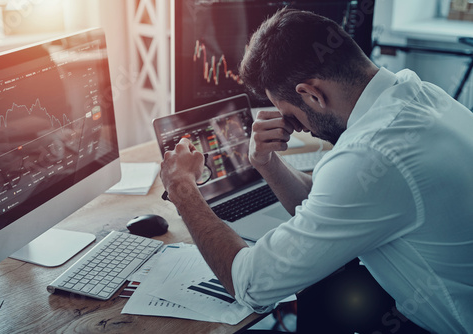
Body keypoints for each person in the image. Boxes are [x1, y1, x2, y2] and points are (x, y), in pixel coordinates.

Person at [159, 8, 473, 333]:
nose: (295, 128)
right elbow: (327, 204)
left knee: (321, 288)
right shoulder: (420, 92)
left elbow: (251, 285)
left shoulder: (370, 154)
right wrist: (266, 163)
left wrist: (182, 188)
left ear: (311, 94)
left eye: (291, 115)